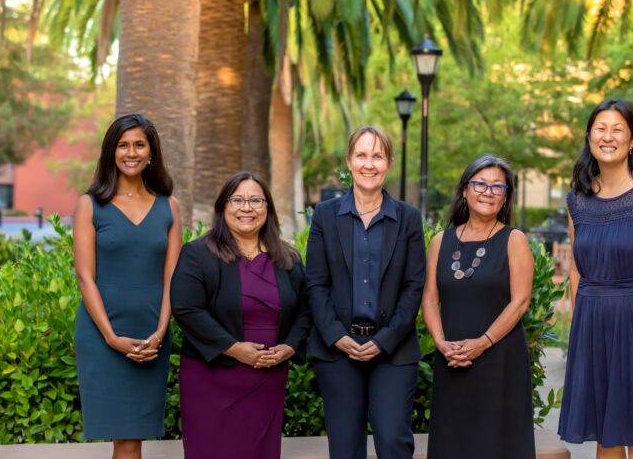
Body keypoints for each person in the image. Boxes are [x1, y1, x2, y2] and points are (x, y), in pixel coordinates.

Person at [558, 99, 633, 458]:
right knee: (606, 437)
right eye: (600, 128)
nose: (607, 136)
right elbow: (578, 269)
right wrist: (581, 326)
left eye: (617, 130)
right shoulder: (576, 200)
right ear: (589, 137)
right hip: (593, 323)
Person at [170, 171, 311, 459]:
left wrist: (290, 347)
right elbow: (187, 308)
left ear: (268, 208)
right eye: (237, 200)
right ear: (223, 207)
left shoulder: (288, 259)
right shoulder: (198, 254)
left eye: (256, 200)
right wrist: (234, 349)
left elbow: (308, 309)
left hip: (267, 379)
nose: (246, 208)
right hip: (211, 379)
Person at [306, 125, 426, 459]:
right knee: (344, 449)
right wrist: (334, 335)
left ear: (389, 163)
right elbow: (315, 283)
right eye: (361, 155)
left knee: (392, 441)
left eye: (377, 156)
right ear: (349, 161)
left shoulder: (409, 218)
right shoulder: (325, 215)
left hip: (393, 349)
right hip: (338, 349)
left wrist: (384, 340)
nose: (369, 164)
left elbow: (413, 286)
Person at [73, 113, 181, 458]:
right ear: (111, 152)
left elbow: (172, 279)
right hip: (103, 336)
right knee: (125, 438)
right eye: (122, 145)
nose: (130, 152)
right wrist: (110, 337)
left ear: (151, 152)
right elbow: (84, 277)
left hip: (151, 337)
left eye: (139, 144)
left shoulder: (170, 207)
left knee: (133, 438)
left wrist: (161, 332)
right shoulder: (90, 205)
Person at [422, 154, 536, 459]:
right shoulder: (439, 242)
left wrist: (482, 343)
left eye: (498, 187)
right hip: (453, 360)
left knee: (497, 445)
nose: (488, 192)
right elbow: (430, 299)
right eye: (480, 184)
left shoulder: (514, 240)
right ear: (464, 190)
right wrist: (442, 344)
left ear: (506, 197)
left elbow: (520, 301)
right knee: (453, 444)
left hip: (500, 363)